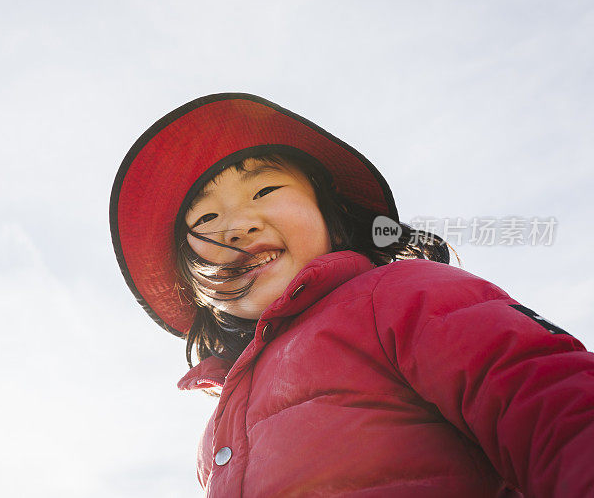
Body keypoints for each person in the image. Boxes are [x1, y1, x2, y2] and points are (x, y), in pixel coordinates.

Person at [109, 93, 594, 497]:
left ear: (331, 213)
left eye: (264, 190)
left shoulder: (402, 295)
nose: (237, 226)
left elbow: (555, 406)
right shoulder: (217, 427)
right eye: (206, 220)